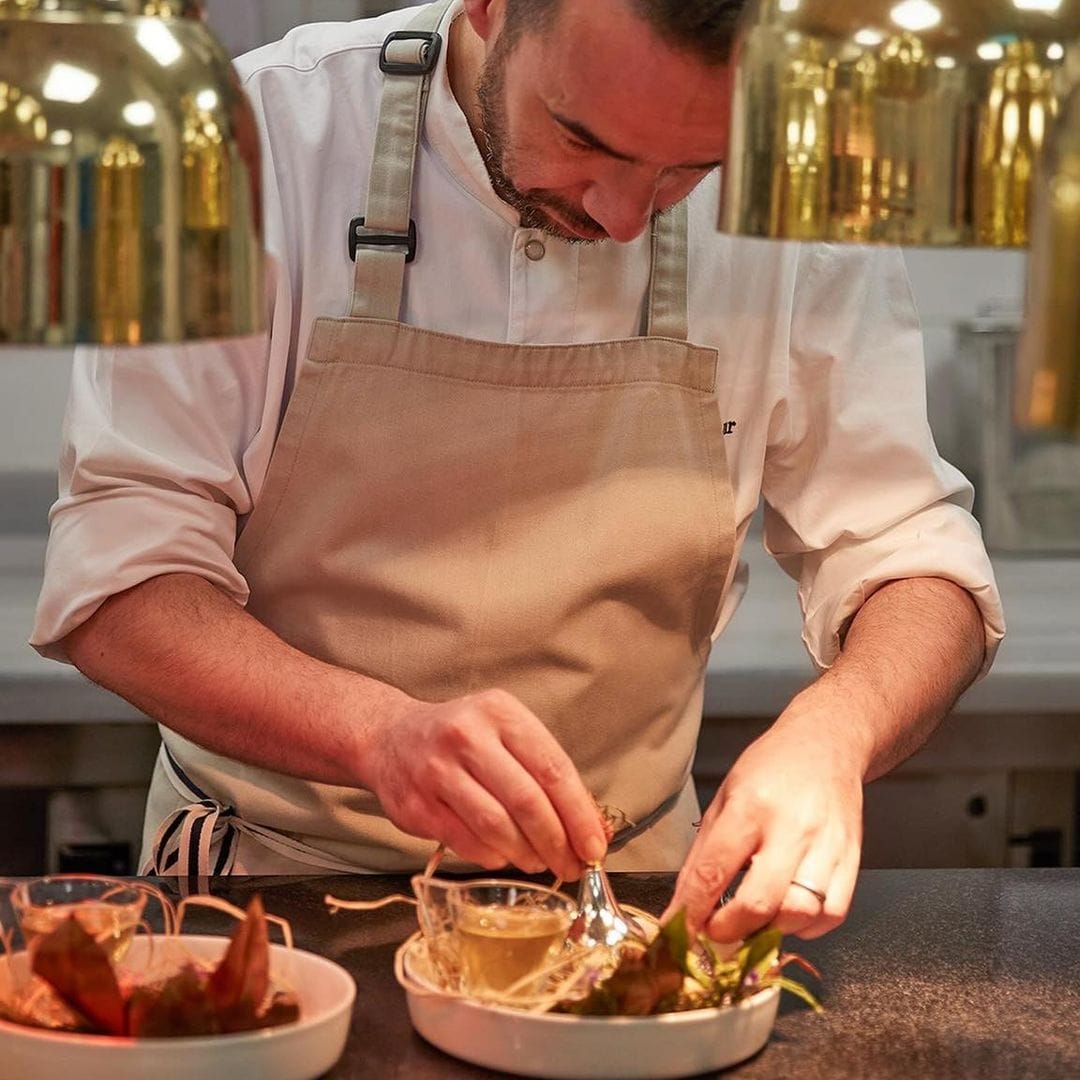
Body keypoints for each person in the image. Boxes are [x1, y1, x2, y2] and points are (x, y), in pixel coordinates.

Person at [32, 0, 1004, 944]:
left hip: (627, 900)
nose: (623, 219)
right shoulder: (250, 145)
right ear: (490, 8)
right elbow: (122, 581)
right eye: (584, 139)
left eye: (691, 170)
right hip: (268, 888)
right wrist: (375, 733)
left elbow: (913, 558)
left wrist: (838, 731)